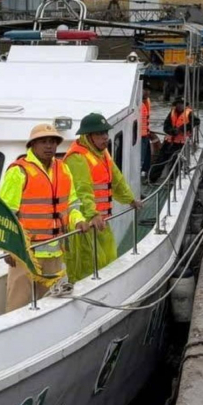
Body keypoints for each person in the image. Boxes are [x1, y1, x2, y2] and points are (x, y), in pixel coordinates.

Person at [0, 124, 89, 311]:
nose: (49, 146)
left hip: (55, 252)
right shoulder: (18, 171)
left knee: (50, 306)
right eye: (43, 141)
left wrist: (79, 220)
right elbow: (6, 213)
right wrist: (8, 248)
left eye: (52, 142)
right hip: (25, 254)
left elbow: (72, 205)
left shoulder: (63, 169)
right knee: (18, 305)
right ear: (32, 145)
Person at [63, 113, 142, 283]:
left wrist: (130, 199)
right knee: (88, 264)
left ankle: (108, 289)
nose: (105, 137)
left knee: (109, 258)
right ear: (88, 136)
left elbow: (117, 179)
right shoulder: (77, 158)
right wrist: (92, 214)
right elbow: (82, 190)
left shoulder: (102, 153)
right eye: (99, 134)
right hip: (84, 223)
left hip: (101, 220)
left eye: (105, 132)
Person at [149, 97, 199, 183]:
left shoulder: (189, 113)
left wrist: (182, 128)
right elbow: (166, 125)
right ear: (176, 105)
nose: (180, 105)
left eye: (182, 104)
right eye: (178, 104)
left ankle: (173, 180)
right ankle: (152, 178)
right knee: (160, 159)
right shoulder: (171, 113)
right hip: (169, 141)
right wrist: (171, 131)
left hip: (181, 143)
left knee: (176, 161)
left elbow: (197, 121)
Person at [140, 88, 152, 177]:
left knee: (147, 154)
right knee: (141, 156)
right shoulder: (137, 104)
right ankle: (141, 170)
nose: (148, 92)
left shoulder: (146, 101)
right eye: (145, 90)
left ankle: (145, 170)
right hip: (138, 135)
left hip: (145, 134)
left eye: (148, 90)